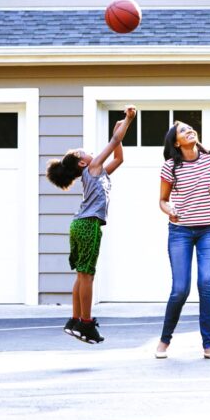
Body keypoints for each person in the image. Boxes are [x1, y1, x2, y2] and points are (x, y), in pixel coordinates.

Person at [46, 105, 136, 344]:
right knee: (87, 276)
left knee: (81, 274)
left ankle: (75, 319)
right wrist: (127, 121)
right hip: (87, 225)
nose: (86, 152)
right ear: (84, 164)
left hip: (79, 224)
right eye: (82, 152)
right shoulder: (94, 167)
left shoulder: (99, 172)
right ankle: (85, 323)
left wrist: (119, 131)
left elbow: (119, 157)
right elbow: (115, 140)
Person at [155, 121, 210, 360]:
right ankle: (164, 340)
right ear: (176, 142)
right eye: (182, 130)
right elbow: (162, 200)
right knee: (180, 289)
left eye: (190, 128)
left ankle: (209, 345)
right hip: (180, 232)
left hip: (208, 230)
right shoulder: (170, 167)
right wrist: (169, 210)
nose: (189, 130)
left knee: (206, 282)